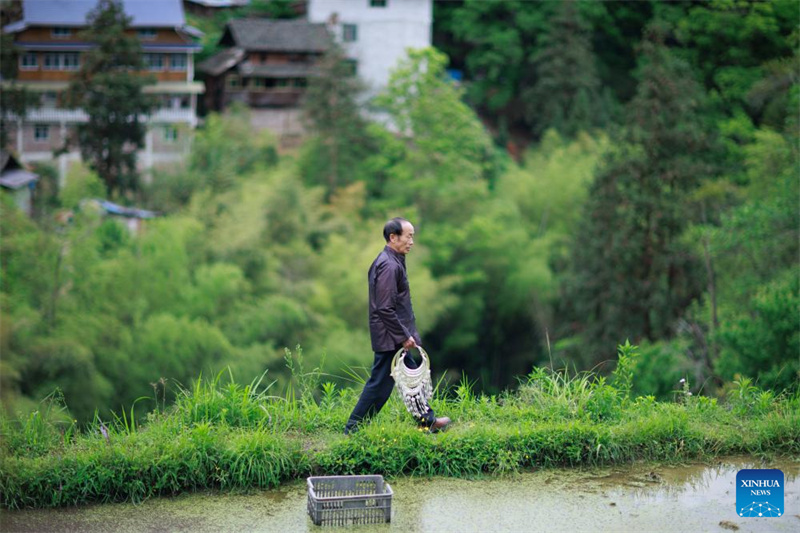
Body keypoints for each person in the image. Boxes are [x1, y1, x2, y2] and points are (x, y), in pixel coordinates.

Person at [344, 217, 451, 435]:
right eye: (408, 237)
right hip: (390, 336)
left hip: (392, 333)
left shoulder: (392, 260)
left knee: (411, 378)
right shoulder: (389, 265)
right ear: (393, 237)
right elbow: (384, 308)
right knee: (379, 385)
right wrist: (403, 335)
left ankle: (427, 421)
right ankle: (352, 429)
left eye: (412, 236)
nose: (411, 241)